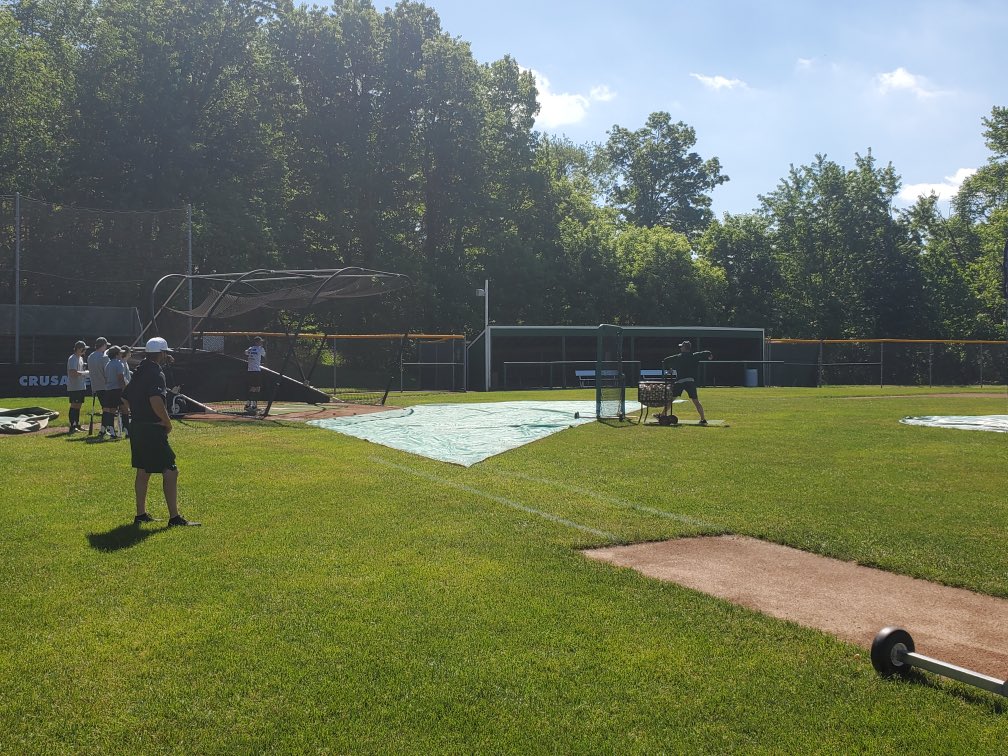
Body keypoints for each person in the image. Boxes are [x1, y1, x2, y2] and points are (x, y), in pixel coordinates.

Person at [123, 337, 200, 527]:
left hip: (138, 426)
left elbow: (124, 398)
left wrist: (137, 413)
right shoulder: (156, 373)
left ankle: (140, 514)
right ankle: (174, 517)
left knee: (143, 470)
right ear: (162, 354)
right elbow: (156, 400)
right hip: (152, 427)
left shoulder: (139, 370)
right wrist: (166, 422)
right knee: (171, 470)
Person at [660, 340, 713, 425]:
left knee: (670, 400)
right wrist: (710, 356)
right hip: (690, 381)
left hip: (679, 382)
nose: (680, 348)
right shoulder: (694, 356)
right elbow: (707, 352)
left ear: (684, 348)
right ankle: (703, 419)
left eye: (681, 346)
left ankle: (662, 415)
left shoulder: (678, 356)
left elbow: (665, 360)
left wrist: (668, 369)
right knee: (696, 401)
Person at [102, 346, 128, 439]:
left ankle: (112, 431)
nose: (122, 354)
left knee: (111, 410)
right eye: (120, 353)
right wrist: (124, 389)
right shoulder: (118, 364)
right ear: (117, 354)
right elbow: (120, 377)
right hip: (117, 389)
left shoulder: (108, 364)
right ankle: (126, 429)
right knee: (125, 409)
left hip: (109, 390)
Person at [86, 337, 110, 436]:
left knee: (105, 407)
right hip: (105, 386)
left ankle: (105, 428)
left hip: (96, 386)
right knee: (107, 408)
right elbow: (107, 372)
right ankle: (104, 428)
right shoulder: (104, 357)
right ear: (103, 345)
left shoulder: (90, 356)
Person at [66, 340, 90, 433]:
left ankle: (77, 424)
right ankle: (73, 425)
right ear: (79, 349)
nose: (85, 351)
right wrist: (85, 373)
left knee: (78, 405)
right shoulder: (73, 358)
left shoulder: (80, 358)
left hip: (80, 385)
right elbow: (72, 372)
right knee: (74, 405)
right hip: (74, 386)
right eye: (84, 349)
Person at [244, 335, 266, 414]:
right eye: (260, 342)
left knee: (253, 388)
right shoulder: (260, 349)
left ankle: (249, 404)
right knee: (256, 388)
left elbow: (245, 352)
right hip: (256, 371)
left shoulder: (250, 348)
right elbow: (264, 355)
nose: (261, 343)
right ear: (257, 342)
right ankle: (253, 406)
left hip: (250, 371)